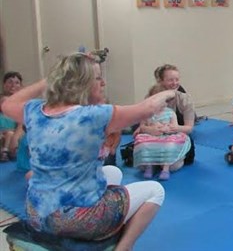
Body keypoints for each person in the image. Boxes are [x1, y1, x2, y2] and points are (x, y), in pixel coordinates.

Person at [1, 53, 168, 250]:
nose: (103, 83)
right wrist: (170, 92)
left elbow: (7, 104)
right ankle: (124, 248)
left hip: (37, 213)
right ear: (82, 83)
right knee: (156, 191)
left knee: (114, 172)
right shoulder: (93, 115)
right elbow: (148, 107)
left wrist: (52, 79)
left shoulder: (35, 111)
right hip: (76, 219)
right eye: (98, 78)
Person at [133, 85, 192, 180]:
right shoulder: (147, 113)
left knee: (170, 144)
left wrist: (166, 128)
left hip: (166, 137)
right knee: (142, 142)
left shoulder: (170, 113)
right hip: (151, 137)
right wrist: (151, 129)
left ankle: (165, 168)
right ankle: (149, 166)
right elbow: (142, 127)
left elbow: (174, 127)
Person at [153, 64, 196, 165]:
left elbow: (189, 128)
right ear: (161, 81)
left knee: (175, 164)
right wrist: (149, 129)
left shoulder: (185, 99)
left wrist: (173, 128)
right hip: (157, 137)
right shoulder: (153, 98)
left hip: (177, 137)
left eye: (177, 79)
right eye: (170, 80)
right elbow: (145, 122)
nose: (174, 83)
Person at [0, 71, 24, 161]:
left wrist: (14, 139)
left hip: (12, 136)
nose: (13, 85)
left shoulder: (23, 104)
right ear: (4, 84)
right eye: (10, 81)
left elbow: (21, 125)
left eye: (17, 82)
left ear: (20, 86)